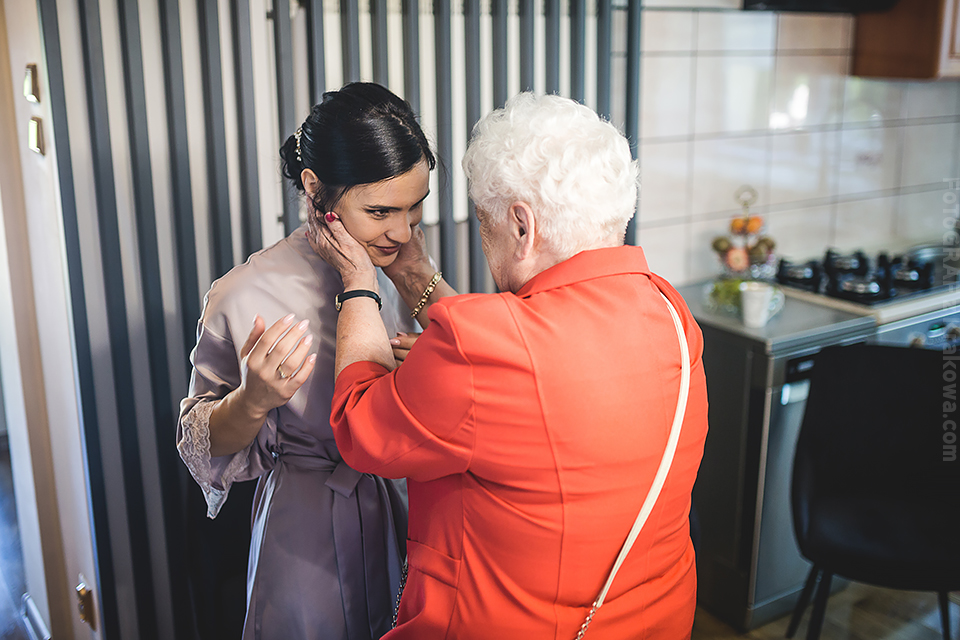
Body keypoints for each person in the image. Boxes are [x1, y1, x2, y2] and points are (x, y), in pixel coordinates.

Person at [312, 92, 709, 639]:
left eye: (484, 222)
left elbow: (360, 427)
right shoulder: (670, 312)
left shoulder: (482, 348)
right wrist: (416, 278)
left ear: (522, 226)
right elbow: (530, 367)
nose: (484, 239)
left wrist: (359, 286)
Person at [176, 82, 436, 640]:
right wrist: (252, 401)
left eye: (415, 208)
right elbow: (199, 442)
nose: (402, 231)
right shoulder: (240, 293)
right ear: (316, 189)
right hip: (307, 530)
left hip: (405, 504)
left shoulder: (400, 261)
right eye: (381, 211)